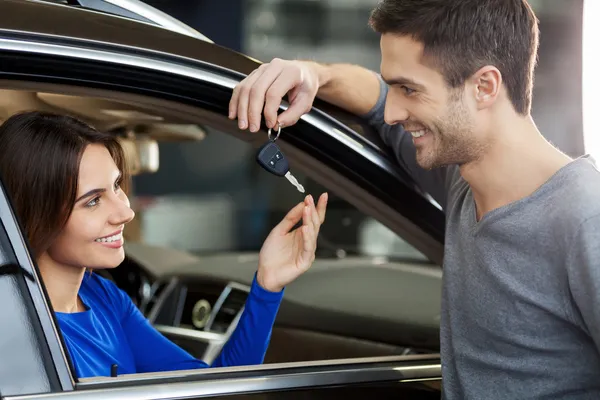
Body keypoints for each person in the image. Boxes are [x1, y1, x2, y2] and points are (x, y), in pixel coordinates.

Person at [228, 0, 600, 398]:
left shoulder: (584, 220)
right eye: (395, 87)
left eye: (408, 89)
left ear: (484, 86)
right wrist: (313, 74)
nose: (392, 113)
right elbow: (371, 97)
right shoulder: (460, 176)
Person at [0, 111, 327, 379]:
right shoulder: (13, 330)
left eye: (116, 186)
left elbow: (207, 388)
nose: (126, 212)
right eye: (92, 201)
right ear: (34, 213)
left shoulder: (103, 298)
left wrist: (267, 287)